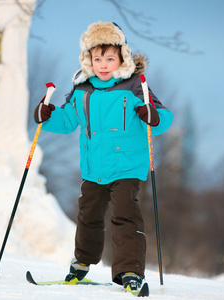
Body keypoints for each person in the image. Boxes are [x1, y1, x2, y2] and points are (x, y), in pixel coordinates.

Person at [33, 21, 173, 292]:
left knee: (125, 216)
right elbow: (66, 120)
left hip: (127, 167)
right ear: (89, 60)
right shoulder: (81, 89)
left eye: (110, 58)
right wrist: (45, 116)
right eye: (97, 58)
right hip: (93, 167)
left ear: (122, 58)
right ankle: (81, 264)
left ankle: (130, 272)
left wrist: (152, 116)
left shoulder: (134, 86)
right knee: (88, 216)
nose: (104, 64)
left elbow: (164, 117)